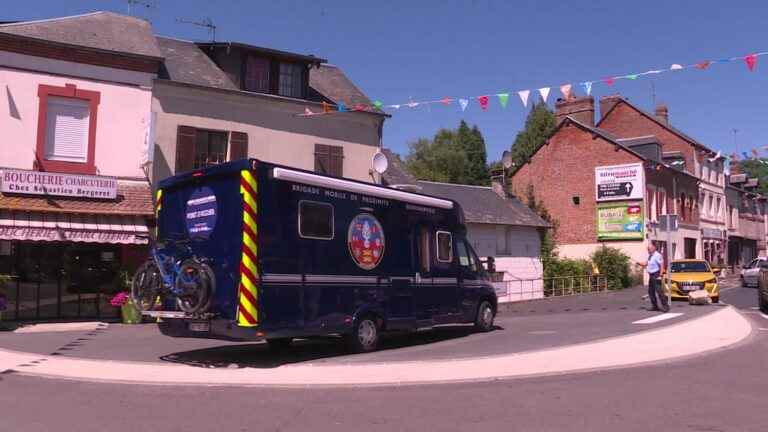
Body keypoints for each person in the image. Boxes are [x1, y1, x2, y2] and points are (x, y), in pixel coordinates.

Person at [637, 243, 669, 312]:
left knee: (659, 291)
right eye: (647, 249)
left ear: (654, 248)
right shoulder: (650, 256)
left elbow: (661, 265)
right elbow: (646, 264)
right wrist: (640, 263)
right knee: (651, 292)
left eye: (649, 249)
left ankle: (666, 307)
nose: (648, 250)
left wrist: (660, 275)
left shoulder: (657, 255)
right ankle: (655, 306)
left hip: (656, 275)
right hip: (651, 275)